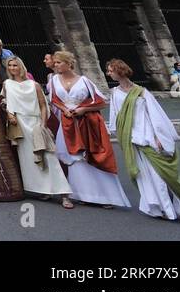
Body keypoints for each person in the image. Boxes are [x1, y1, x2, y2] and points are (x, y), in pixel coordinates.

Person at [107, 59, 180, 223]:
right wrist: (121, 136)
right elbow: (115, 119)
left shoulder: (141, 92)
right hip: (132, 140)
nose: (108, 73)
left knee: (165, 176)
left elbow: (156, 116)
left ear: (120, 71)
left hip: (149, 138)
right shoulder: (114, 93)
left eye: (111, 70)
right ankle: (160, 207)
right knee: (147, 177)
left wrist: (159, 137)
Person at [47, 49, 129, 209]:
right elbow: (54, 100)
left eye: (59, 62)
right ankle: (83, 194)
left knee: (91, 156)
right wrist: (64, 109)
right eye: (55, 62)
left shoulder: (84, 81)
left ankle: (105, 197)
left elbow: (101, 102)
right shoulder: (54, 81)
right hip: (67, 124)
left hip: (87, 123)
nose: (55, 65)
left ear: (69, 63)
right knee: (74, 160)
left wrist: (83, 109)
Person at [0, 56, 73, 207]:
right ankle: (44, 190)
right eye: (10, 66)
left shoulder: (34, 85)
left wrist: (43, 124)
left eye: (15, 65)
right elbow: (3, 102)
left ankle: (64, 194)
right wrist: (9, 114)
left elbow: (43, 106)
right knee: (29, 160)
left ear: (21, 66)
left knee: (48, 157)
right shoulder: (7, 84)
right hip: (19, 124)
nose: (13, 68)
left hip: (35, 122)